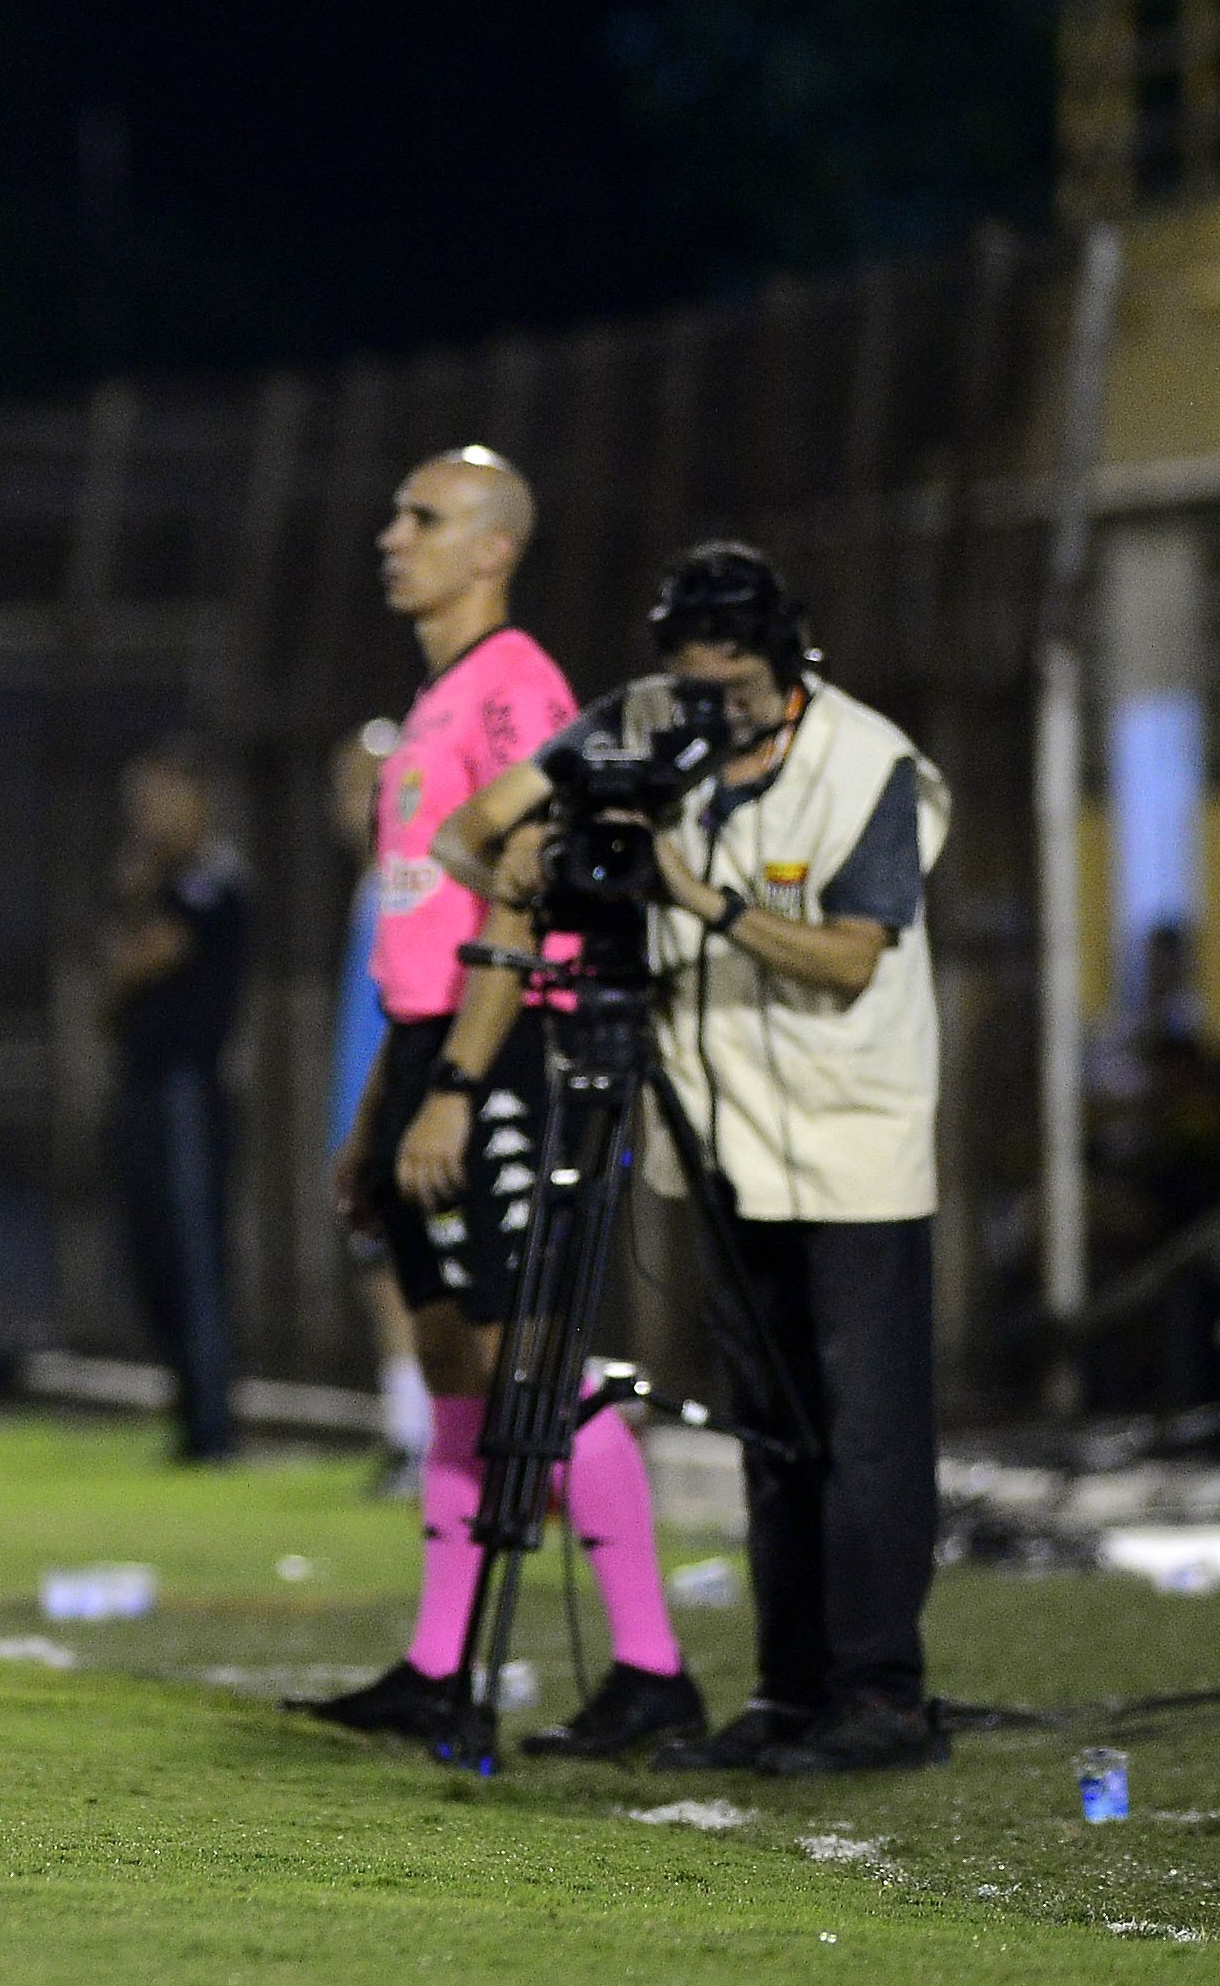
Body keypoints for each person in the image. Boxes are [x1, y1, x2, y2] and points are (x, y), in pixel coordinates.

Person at [434, 541, 953, 1775]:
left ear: (784, 668)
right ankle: (785, 1695)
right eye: (688, 676)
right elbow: (469, 832)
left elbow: (849, 957)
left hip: (851, 1140)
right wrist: (520, 852)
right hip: (720, 1142)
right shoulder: (644, 726)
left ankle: (878, 1696)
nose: (704, 704)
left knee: (864, 1435)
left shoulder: (863, 761)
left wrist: (688, 891)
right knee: (771, 1431)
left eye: (729, 681)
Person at [295, 449, 702, 1759]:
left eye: (419, 516)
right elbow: (414, 938)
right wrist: (380, 1110)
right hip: (428, 1048)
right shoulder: (430, 703)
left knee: (533, 1358)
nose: (386, 534)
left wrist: (460, 1089)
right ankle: (434, 1662)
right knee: (453, 1359)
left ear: (488, 549)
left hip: (505, 1046)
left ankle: (647, 1666)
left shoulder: (515, 692)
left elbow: (520, 900)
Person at [101, 735, 251, 1462]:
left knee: (193, 1254)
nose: (145, 815)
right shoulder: (150, 878)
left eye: (158, 798)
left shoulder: (211, 877)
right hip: (143, 1080)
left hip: (191, 1085)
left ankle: (212, 1426)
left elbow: (147, 955)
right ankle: (188, 1410)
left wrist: (129, 951)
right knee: (152, 1254)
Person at [330, 719, 434, 1493]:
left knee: (407, 1280)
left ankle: (422, 1441)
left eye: (369, 784)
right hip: (363, 1111)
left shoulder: (414, 884)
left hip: (399, 1113)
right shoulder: (374, 881)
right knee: (381, 1279)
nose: (352, 802)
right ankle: (408, 1433)